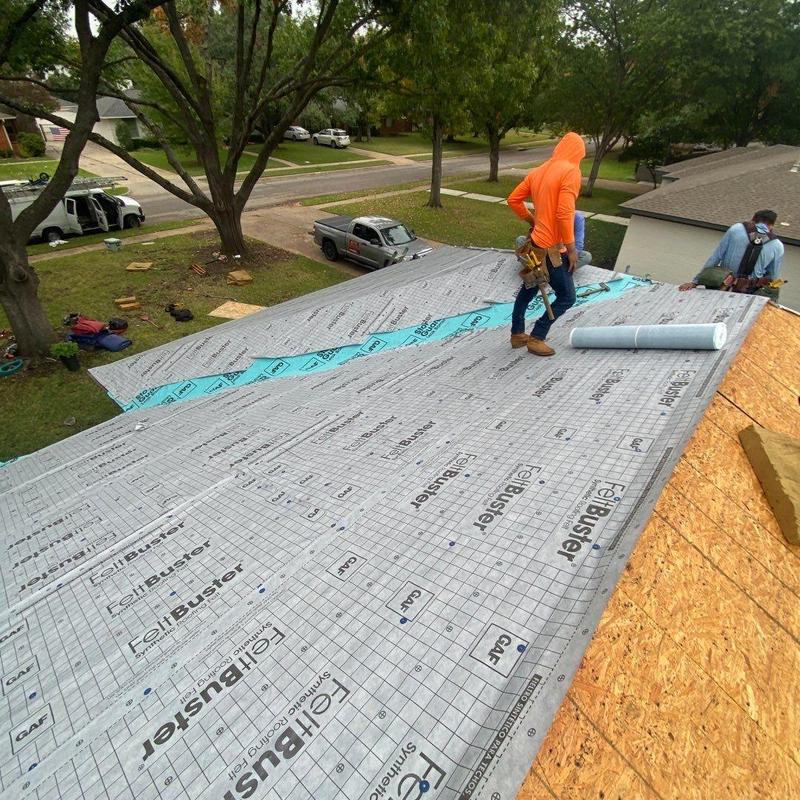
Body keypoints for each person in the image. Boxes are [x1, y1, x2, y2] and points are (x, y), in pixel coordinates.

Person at [507, 131, 585, 356]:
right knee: (567, 296)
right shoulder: (571, 172)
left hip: (534, 246)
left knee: (529, 289)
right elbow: (563, 213)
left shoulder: (539, 170)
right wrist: (571, 249)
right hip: (552, 250)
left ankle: (517, 333)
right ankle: (537, 337)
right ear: (577, 153)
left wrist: (533, 220)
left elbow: (513, 199)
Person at [679, 210, 784, 293]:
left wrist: (695, 282)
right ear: (772, 225)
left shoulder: (736, 229)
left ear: (752, 219)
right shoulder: (777, 245)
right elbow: (773, 277)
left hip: (721, 286)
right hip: (748, 292)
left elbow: (716, 257)